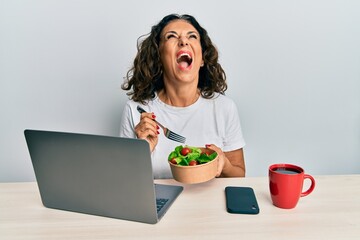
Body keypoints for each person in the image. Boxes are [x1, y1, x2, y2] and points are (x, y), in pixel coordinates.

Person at [120, 14, 246, 179]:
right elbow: (124, 182)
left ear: (202, 59)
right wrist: (141, 151)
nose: (183, 41)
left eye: (192, 36)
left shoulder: (224, 107)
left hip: (209, 203)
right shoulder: (136, 110)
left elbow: (239, 175)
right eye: (171, 36)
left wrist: (224, 163)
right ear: (158, 57)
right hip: (158, 204)